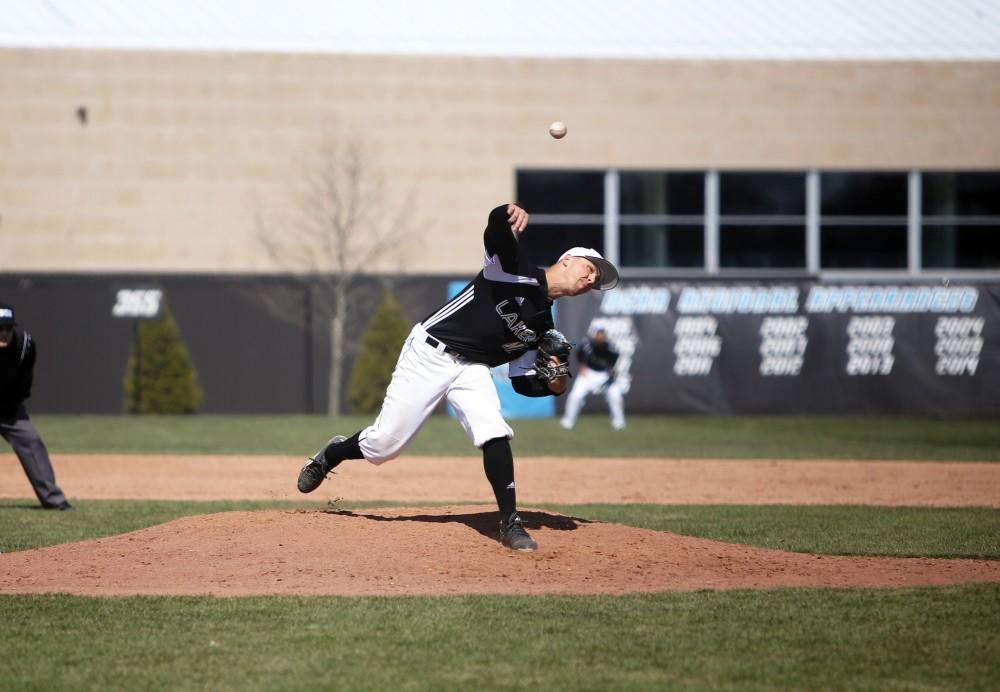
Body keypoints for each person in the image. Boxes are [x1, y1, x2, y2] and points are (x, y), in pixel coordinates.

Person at [297, 203, 619, 552]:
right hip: (430, 351)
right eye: (590, 269)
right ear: (567, 260)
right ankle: (333, 453)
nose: (591, 279)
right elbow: (495, 233)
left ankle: (510, 524)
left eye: (597, 281)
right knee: (385, 445)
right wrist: (504, 213)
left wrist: (555, 383)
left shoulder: (543, 328)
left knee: (493, 428)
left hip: (471, 368)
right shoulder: (513, 270)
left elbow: (523, 381)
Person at [0, 303, 73, 511]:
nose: (3, 333)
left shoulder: (25, 345)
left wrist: (11, 404)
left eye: (7, 328)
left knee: (31, 441)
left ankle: (54, 500)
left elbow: (25, 380)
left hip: (10, 408)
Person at [559, 327, 626, 431]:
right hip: (588, 374)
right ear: (595, 336)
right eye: (598, 335)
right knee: (575, 396)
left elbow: (614, 362)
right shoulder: (586, 345)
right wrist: (582, 365)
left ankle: (619, 423)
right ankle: (568, 421)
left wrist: (612, 371)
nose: (600, 337)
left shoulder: (610, 348)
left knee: (615, 396)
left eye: (602, 335)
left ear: (605, 337)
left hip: (604, 375)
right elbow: (578, 352)